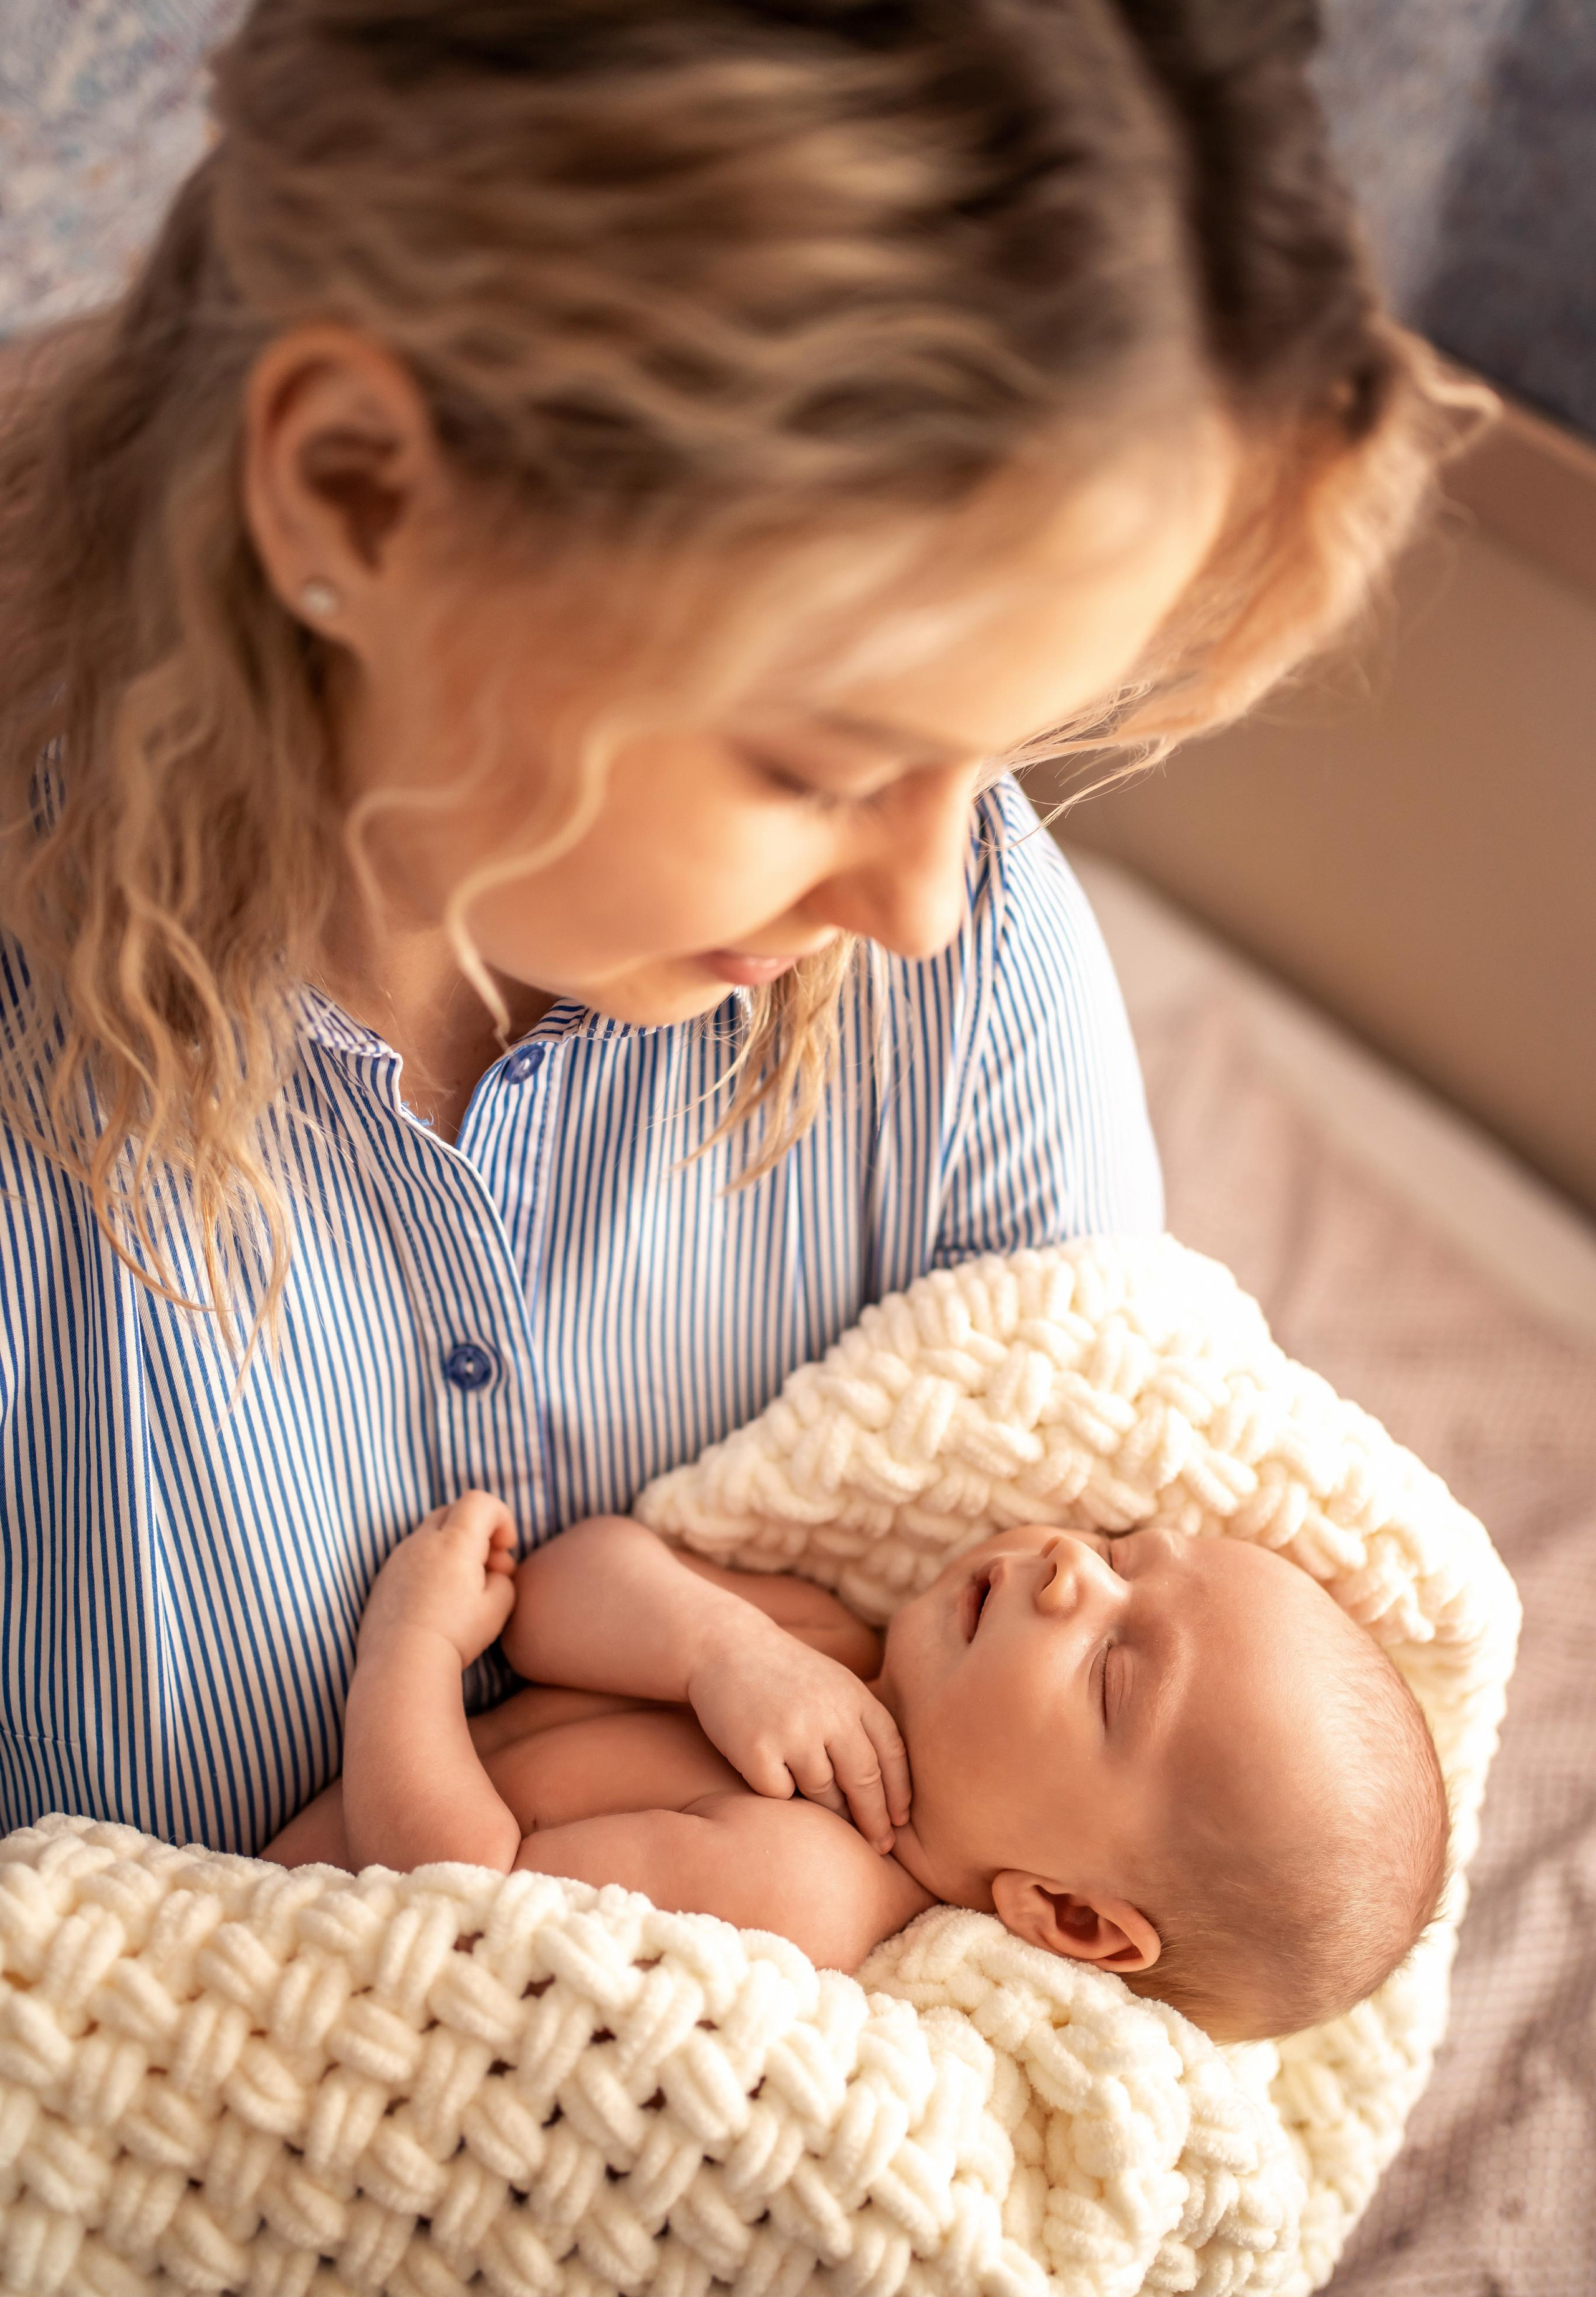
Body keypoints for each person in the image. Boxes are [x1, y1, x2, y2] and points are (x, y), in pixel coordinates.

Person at [0, 1, 1471, 1857]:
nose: (929, 904)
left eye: (993, 757)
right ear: (360, 494)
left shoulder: (964, 965)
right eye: (823, 762)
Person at [266, 1500, 1449, 2042]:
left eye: (1110, 1671)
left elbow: (456, 1895)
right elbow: (553, 1600)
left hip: (274, 1939)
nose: (1068, 1570)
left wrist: (411, 1653)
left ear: (1072, 1913)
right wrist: (719, 1644)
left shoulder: (808, 1889)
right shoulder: (831, 1645)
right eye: (1126, 1550)